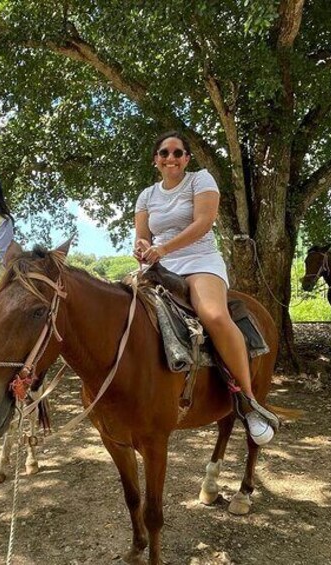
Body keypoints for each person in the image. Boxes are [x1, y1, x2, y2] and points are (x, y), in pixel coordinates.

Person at [134, 131, 278, 445]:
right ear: (155, 160)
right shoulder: (146, 195)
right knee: (121, 309)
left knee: (213, 315)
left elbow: (203, 222)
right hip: (158, 266)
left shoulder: (201, 180)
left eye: (177, 153)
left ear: (186, 158)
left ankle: (249, 402)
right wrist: (143, 248)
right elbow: (142, 236)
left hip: (199, 261)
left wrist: (163, 248)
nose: (170, 158)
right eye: (164, 153)